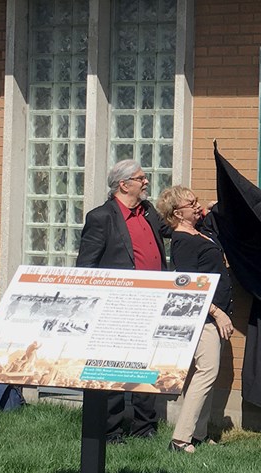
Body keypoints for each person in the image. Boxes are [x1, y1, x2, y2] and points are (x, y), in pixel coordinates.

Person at [76, 159, 171, 444]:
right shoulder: (101, 217)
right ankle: (110, 431)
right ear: (124, 184)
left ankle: (145, 427)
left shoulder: (148, 211)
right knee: (114, 370)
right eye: (141, 178)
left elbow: (172, 231)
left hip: (152, 302)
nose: (146, 182)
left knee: (146, 365)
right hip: (117, 306)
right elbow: (86, 265)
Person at [157, 185, 234, 453]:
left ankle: (198, 434)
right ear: (178, 213)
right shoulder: (183, 242)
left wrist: (214, 207)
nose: (197, 205)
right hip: (205, 318)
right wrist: (216, 312)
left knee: (210, 375)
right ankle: (180, 439)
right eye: (192, 203)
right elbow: (190, 287)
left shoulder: (201, 232)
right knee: (206, 372)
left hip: (217, 316)